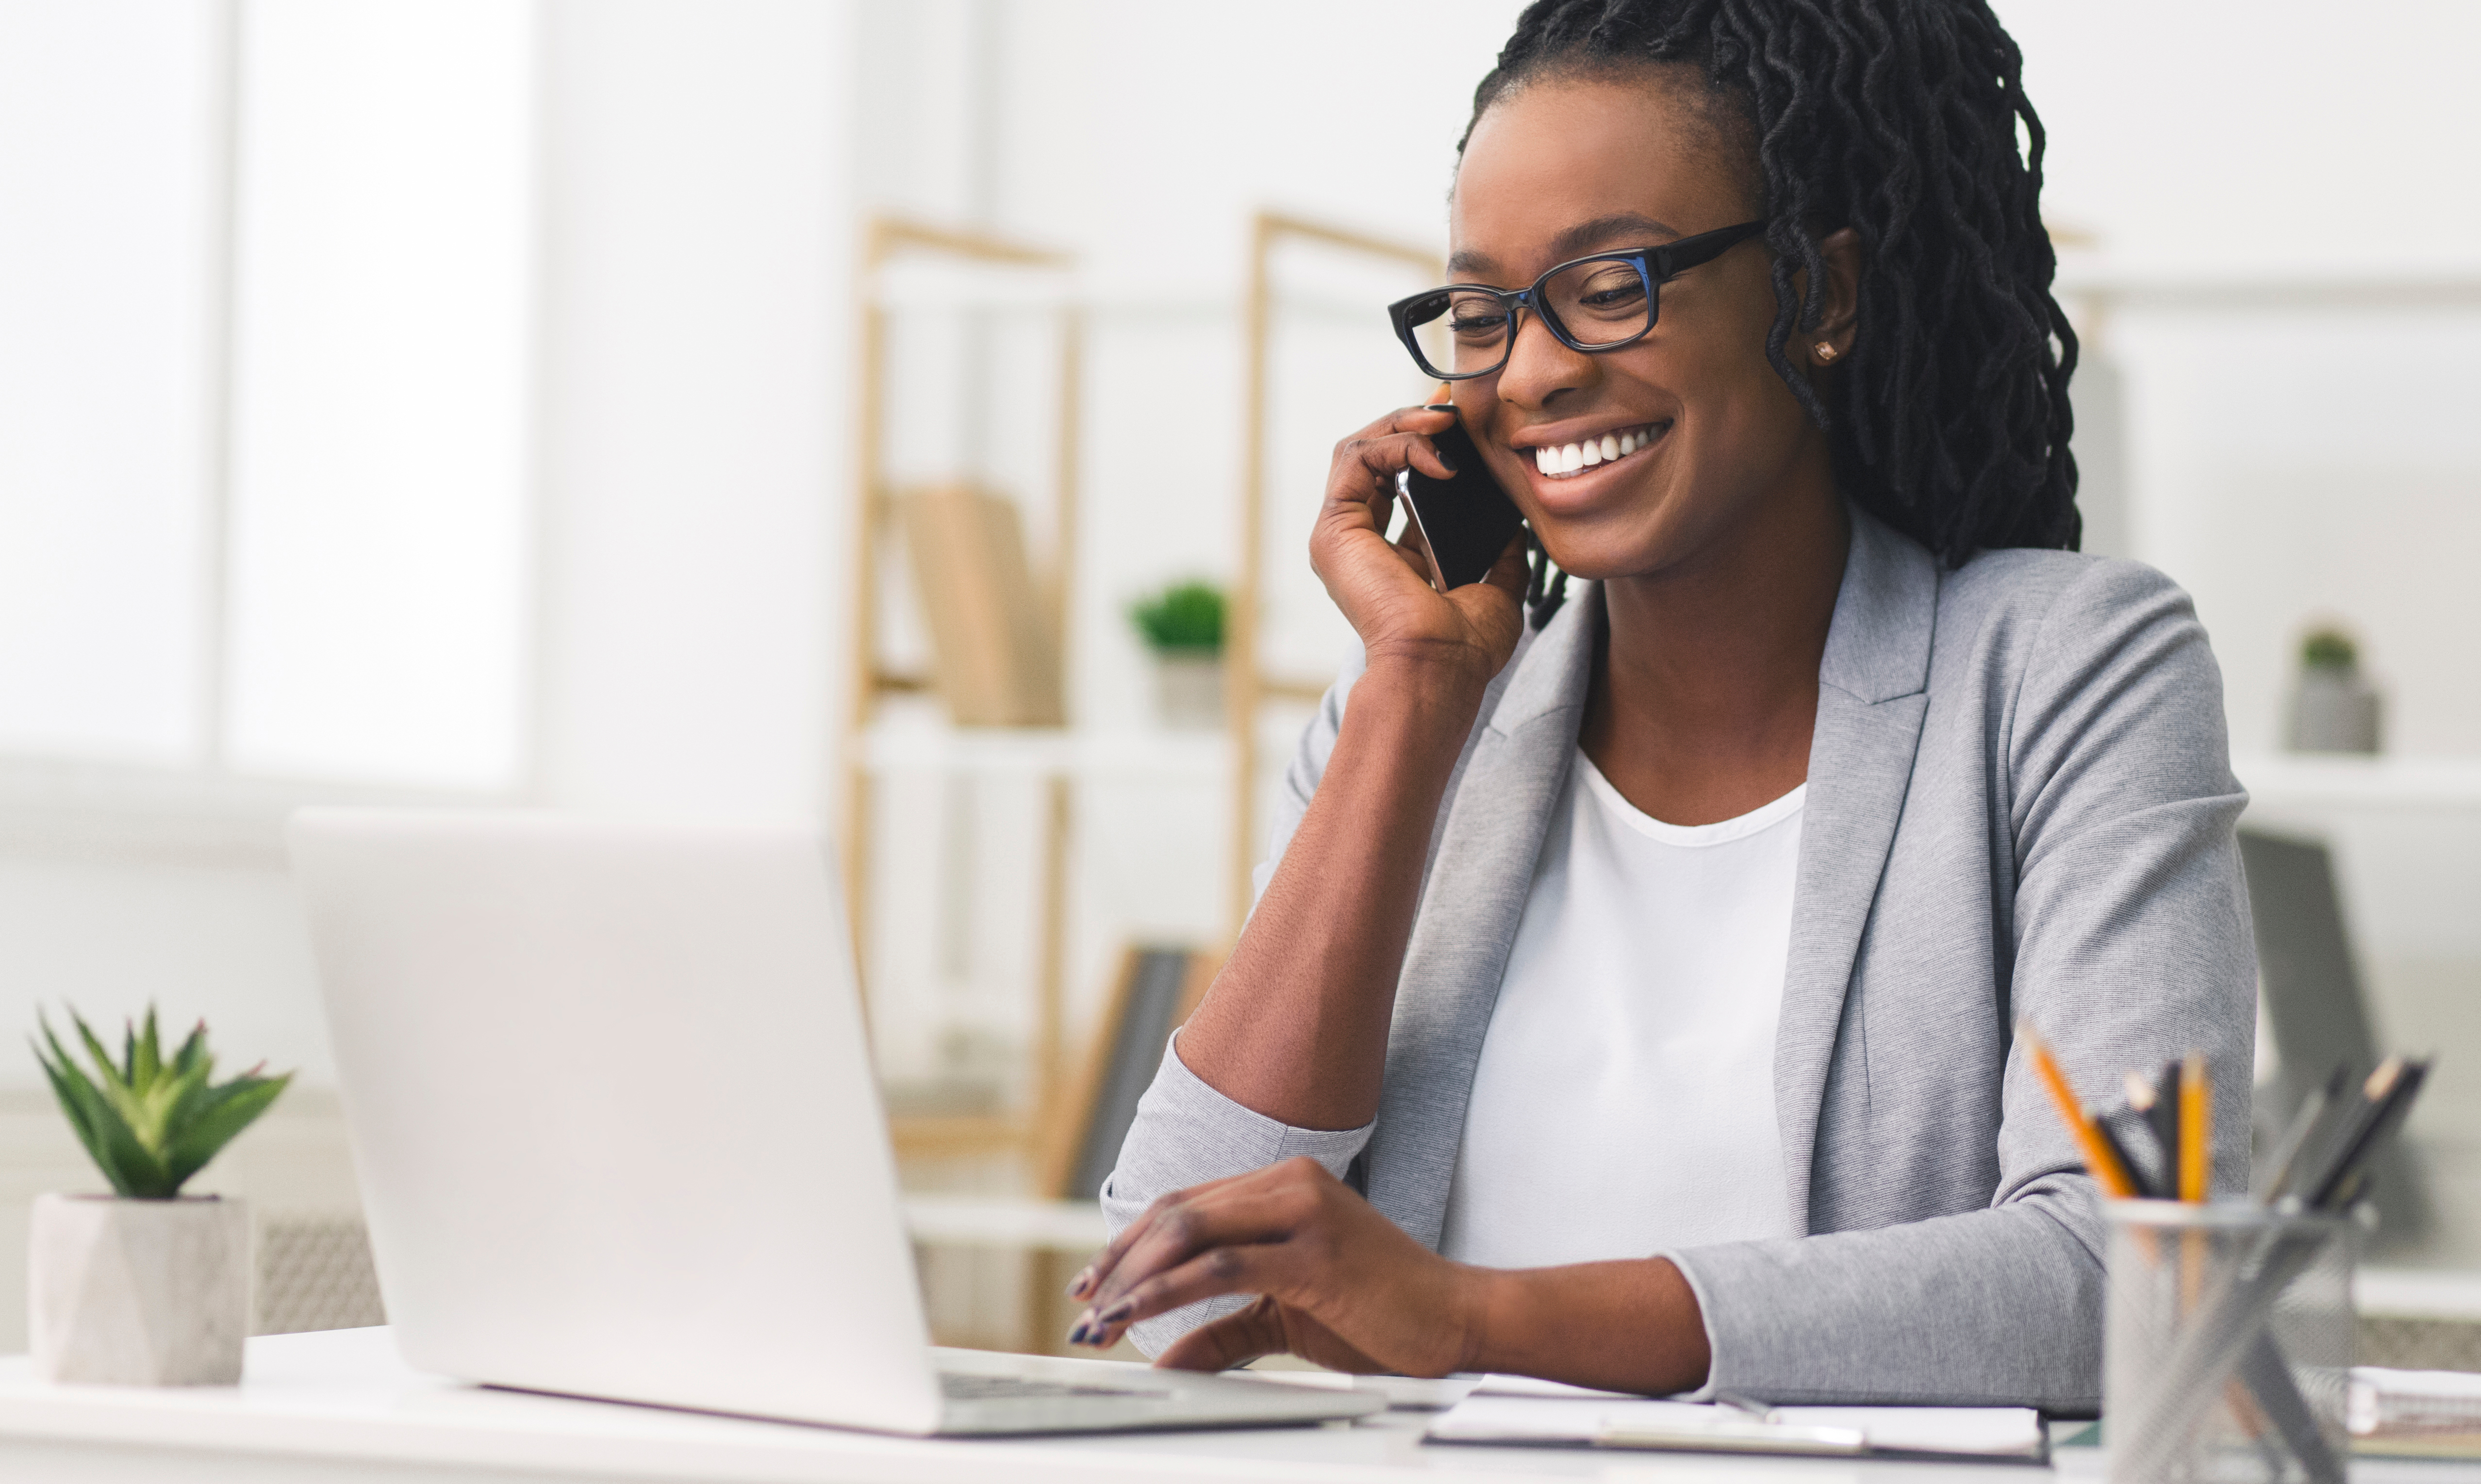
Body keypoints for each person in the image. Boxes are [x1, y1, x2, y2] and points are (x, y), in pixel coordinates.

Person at [1063, 0, 2253, 1409]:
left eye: (1612, 281)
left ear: (1822, 296)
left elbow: (2130, 1272)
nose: (1535, 370)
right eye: (1483, 310)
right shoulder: (1411, 729)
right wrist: (1417, 693)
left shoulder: (2066, 671)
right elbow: (1168, 1290)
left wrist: (1464, 1315)